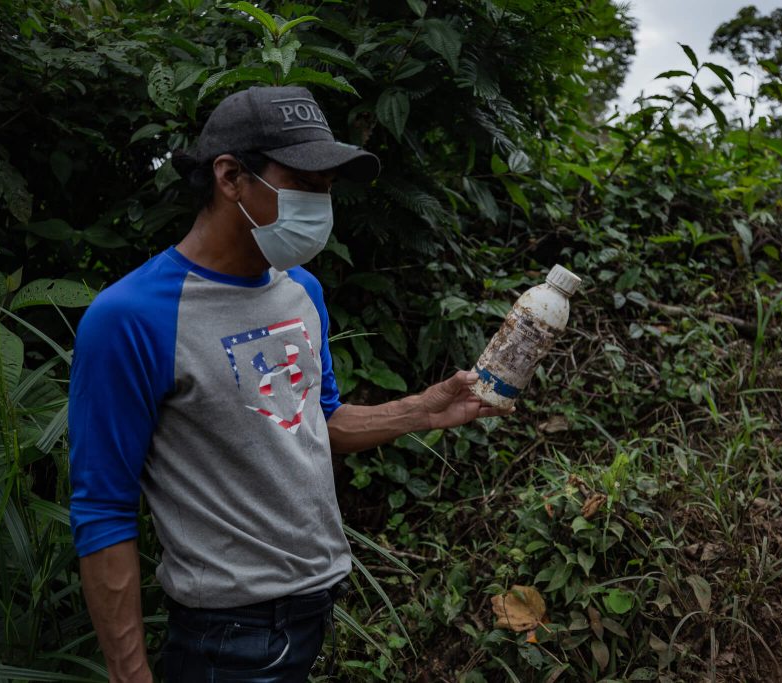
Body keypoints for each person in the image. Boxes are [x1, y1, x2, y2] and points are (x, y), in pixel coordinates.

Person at [68, 85, 510, 683]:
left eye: (329, 187)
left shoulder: (301, 291)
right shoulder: (132, 317)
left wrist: (422, 411)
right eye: (306, 182)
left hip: (314, 607)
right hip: (225, 638)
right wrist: (130, 674)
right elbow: (103, 509)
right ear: (230, 176)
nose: (322, 203)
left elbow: (314, 420)